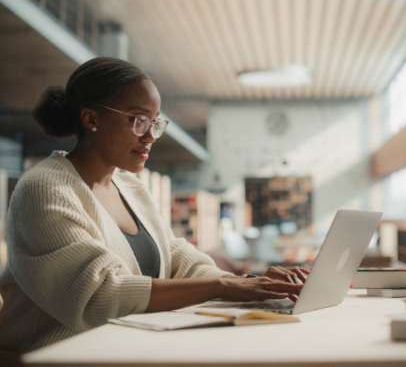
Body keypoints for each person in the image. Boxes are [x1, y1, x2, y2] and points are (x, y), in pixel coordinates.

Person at [0, 57, 308, 352]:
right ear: (91, 117)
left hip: (125, 349)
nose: (150, 136)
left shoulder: (130, 187)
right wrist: (223, 288)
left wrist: (245, 284)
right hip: (56, 356)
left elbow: (175, 257)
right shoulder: (45, 189)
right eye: (138, 120)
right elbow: (99, 295)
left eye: (155, 123)